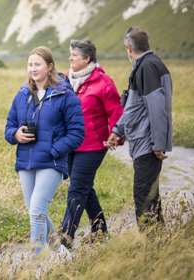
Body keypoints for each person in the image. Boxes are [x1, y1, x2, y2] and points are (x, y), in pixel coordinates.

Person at [4, 46, 84, 255]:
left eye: (37, 64)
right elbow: (9, 127)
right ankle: (62, 255)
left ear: (49, 67)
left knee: (37, 210)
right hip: (25, 162)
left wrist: (54, 150)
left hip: (51, 161)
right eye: (30, 64)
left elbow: (77, 133)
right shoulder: (22, 94)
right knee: (34, 211)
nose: (33, 68)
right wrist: (15, 134)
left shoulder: (65, 95)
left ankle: (36, 263)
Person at [59, 39, 124, 248]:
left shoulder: (103, 82)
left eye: (74, 55)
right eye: (70, 55)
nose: (70, 58)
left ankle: (66, 235)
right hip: (71, 143)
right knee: (85, 187)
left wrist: (116, 133)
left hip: (94, 144)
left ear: (87, 59)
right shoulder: (66, 80)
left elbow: (116, 111)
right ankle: (100, 230)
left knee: (77, 187)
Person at [108, 27, 172, 229]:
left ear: (129, 48)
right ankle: (161, 247)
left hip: (147, 145)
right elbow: (134, 107)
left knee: (144, 200)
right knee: (150, 199)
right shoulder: (147, 65)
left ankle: (153, 251)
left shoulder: (147, 67)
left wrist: (158, 143)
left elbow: (157, 108)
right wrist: (118, 130)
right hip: (144, 143)